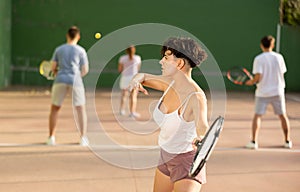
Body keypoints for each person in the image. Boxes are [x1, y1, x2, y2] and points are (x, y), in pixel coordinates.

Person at [129, 37, 208, 192]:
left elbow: (202, 126)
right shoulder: (169, 83)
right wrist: (135, 80)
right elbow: (142, 76)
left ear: (180, 63)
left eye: (166, 57)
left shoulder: (196, 96)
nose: (161, 61)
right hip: (165, 157)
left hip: (186, 163)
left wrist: (201, 137)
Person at [245, 35, 292, 149]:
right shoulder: (279, 57)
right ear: (272, 45)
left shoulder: (258, 59)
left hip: (263, 93)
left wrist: (251, 82)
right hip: (278, 91)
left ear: (261, 45)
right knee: (283, 116)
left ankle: (254, 142)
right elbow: (282, 72)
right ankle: (287, 141)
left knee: (257, 116)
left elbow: (258, 77)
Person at [46, 26, 89, 146]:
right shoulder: (81, 50)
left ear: (67, 35)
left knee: (55, 108)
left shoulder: (59, 49)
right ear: (78, 37)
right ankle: (83, 138)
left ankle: (51, 138)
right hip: (76, 81)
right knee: (80, 109)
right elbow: (85, 70)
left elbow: (53, 67)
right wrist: (77, 76)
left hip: (60, 79)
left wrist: (56, 72)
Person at [118, 45, 142, 118]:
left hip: (125, 78)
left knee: (124, 95)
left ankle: (122, 110)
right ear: (134, 50)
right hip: (133, 79)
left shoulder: (122, 58)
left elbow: (120, 69)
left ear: (126, 51)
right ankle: (132, 112)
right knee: (133, 96)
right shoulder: (138, 58)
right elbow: (138, 69)